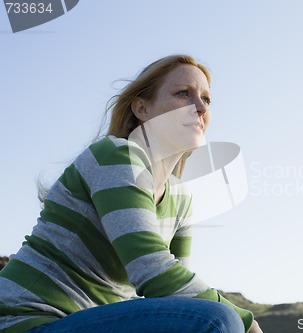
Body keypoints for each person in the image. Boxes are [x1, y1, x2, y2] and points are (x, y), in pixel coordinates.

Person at [0, 55, 263, 333]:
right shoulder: (115, 156)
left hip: (89, 323)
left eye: (206, 99)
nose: (199, 107)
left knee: (214, 317)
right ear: (142, 108)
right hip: (24, 321)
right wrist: (247, 320)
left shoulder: (181, 198)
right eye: (183, 93)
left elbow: (174, 291)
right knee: (217, 320)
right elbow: (152, 271)